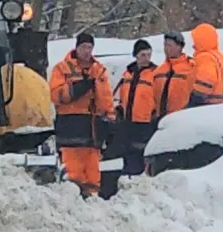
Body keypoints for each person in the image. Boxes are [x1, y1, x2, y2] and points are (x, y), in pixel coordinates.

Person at [49, 32, 114, 198]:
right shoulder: (62, 68)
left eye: (90, 47)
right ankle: (73, 195)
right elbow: (55, 95)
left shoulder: (99, 70)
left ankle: (92, 196)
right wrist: (78, 88)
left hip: (93, 126)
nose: (87, 51)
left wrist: (110, 118)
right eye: (84, 47)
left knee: (92, 167)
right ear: (76, 48)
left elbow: (106, 97)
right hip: (70, 125)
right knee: (72, 166)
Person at [102, 39, 156, 199]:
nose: (146, 58)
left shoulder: (155, 74)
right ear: (136, 56)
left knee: (139, 156)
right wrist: (119, 110)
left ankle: (137, 191)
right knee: (121, 155)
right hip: (126, 123)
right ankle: (116, 189)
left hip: (145, 124)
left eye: (149, 54)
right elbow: (121, 96)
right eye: (143, 55)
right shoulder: (128, 74)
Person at [152, 31, 194, 124]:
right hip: (160, 120)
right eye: (165, 45)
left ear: (179, 47)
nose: (166, 49)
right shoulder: (159, 71)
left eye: (169, 45)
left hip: (182, 120)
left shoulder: (190, 68)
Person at [189, 23, 223, 106]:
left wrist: (192, 99)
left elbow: (206, 80)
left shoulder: (205, 57)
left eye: (195, 41)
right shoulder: (221, 58)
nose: (193, 45)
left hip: (207, 104)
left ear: (201, 41)